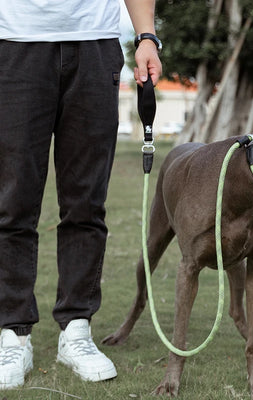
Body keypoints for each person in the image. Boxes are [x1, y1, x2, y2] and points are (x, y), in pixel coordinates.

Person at [0, 0, 162, 389]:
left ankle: (76, 331)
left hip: (94, 43)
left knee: (86, 203)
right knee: (12, 203)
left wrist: (147, 36)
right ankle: (12, 334)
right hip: (14, 41)